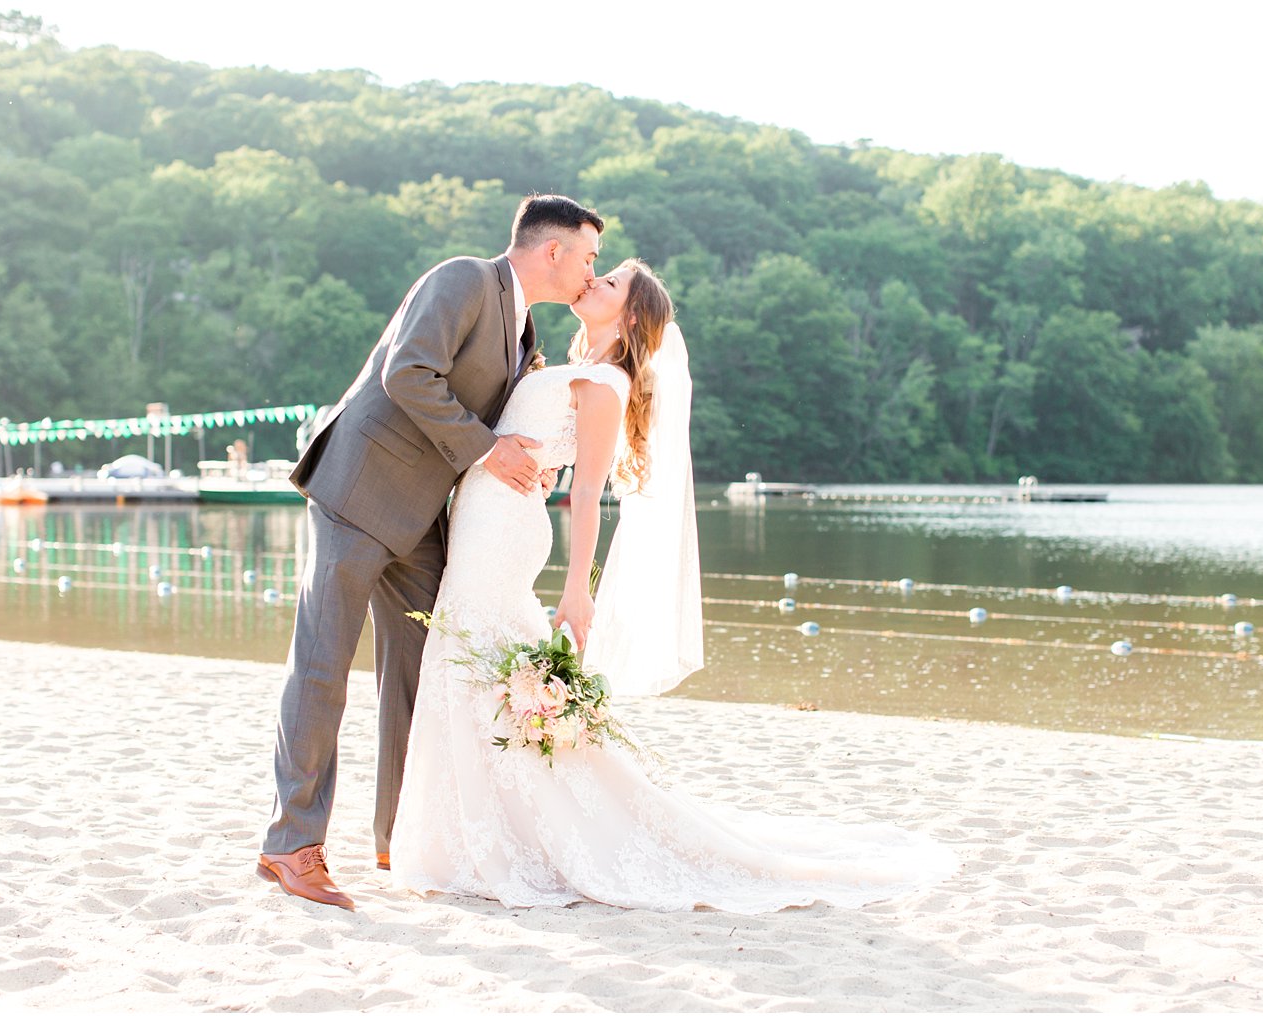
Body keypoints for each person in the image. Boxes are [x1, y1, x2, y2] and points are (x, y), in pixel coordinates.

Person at [386, 259, 959, 912]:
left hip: (505, 537)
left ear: (630, 317)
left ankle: (492, 841)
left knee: (476, 665)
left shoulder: (603, 382)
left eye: (610, 284)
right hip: (483, 523)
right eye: (598, 275)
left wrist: (579, 591)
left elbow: (591, 494)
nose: (593, 283)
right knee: (472, 669)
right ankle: (470, 833)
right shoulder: (560, 364)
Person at [256, 195, 605, 910]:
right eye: (590, 256)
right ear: (552, 251)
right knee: (323, 667)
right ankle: (291, 845)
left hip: (422, 519)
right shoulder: (463, 279)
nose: (590, 271)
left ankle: (399, 834)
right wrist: (490, 450)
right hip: (357, 490)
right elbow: (408, 373)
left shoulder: (525, 327)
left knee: (422, 668)